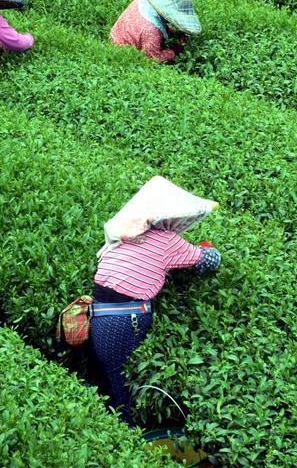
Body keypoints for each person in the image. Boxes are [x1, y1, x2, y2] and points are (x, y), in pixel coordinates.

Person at [90, 176, 220, 426]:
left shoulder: (125, 232)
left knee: (110, 380)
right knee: (121, 388)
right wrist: (208, 248)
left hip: (100, 315)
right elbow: (209, 262)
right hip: (124, 319)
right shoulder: (166, 241)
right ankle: (130, 439)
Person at [110, 0, 200, 63]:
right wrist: (175, 50)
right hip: (121, 50)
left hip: (116, 33)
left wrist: (173, 33)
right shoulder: (152, 32)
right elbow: (152, 58)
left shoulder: (142, 0)